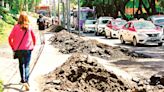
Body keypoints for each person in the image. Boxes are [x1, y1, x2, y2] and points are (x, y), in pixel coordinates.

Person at [8, 11, 36, 91]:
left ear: (19, 18)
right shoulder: (29, 27)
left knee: (21, 64)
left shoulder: (16, 27)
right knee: (27, 65)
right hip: (28, 49)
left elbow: (10, 38)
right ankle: (26, 81)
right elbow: (34, 38)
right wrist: (33, 45)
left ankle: (22, 80)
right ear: (27, 18)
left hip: (19, 49)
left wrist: (13, 47)